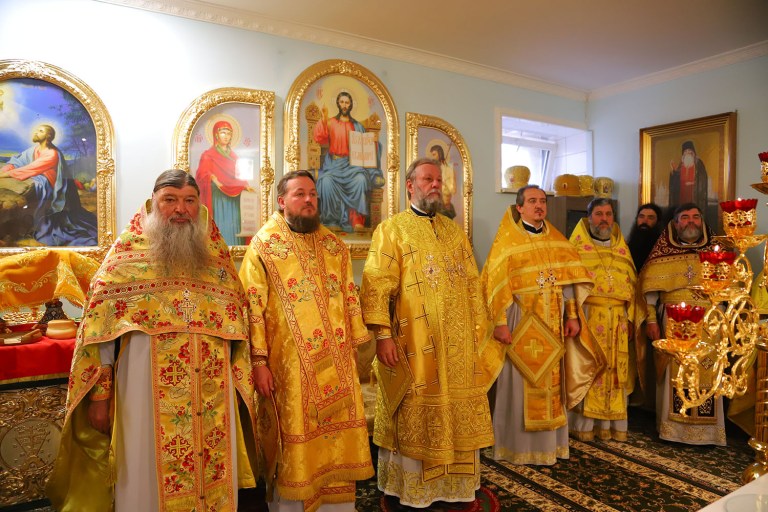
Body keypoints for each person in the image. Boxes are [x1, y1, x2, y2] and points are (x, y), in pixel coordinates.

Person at [46, 170, 258, 511]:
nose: (181, 209)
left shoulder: (216, 257)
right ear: (153, 203)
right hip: (143, 391)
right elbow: (99, 330)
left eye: (189, 201)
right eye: (170, 200)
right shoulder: (126, 255)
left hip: (212, 393)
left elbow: (238, 325)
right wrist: (100, 396)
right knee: (144, 474)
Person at [360, 157, 504, 508]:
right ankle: (412, 490)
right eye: (428, 179)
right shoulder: (392, 230)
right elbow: (376, 284)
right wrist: (383, 336)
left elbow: (473, 284)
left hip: (458, 348)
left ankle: (455, 489)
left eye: (439, 179)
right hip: (414, 345)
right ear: (410, 185)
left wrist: (480, 333)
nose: (436, 184)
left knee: (456, 412)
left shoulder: (455, 232)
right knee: (415, 408)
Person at [238, 170, 373, 511]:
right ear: (282, 201)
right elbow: (251, 307)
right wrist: (258, 362)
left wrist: (358, 343)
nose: (309, 200)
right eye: (300, 194)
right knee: (295, 444)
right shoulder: (264, 246)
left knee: (337, 443)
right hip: (289, 372)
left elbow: (349, 295)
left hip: (338, 367)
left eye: (312, 194)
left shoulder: (333, 245)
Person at [481, 185, 602, 465]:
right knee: (519, 383)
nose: (539, 206)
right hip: (520, 321)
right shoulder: (507, 242)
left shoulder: (557, 240)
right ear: (519, 207)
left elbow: (568, 281)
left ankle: (550, 446)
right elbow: (495, 286)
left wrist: (572, 315)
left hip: (552, 322)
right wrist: (499, 323)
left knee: (552, 384)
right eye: (532, 201)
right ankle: (515, 446)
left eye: (543, 201)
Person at [639, 202, 725, 445]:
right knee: (674, 372)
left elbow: (728, 289)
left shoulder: (717, 253)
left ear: (702, 221)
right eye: (685, 217)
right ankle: (673, 430)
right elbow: (649, 292)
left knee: (707, 371)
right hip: (672, 320)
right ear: (675, 224)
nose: (691, 222)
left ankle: (707, 433)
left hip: (708, 322)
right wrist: (651, 320)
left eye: (695, 217)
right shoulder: (662, 254)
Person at [568, 198, 643, 441]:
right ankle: (584, 426)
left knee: (616, 370)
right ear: (589, 217)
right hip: (590, 317)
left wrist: (630, 319)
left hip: (618, 321)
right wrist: (574, 316)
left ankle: (612, 426)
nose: (604, 219)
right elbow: (569, 286)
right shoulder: (576, 248)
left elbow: (633, 286)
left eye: (608, 214)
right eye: (599, 214)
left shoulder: (622, 249)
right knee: (591, 367)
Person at [0, 124, 96, 245]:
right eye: (36, 130)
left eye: (40, 131)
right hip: (38, 178)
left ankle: (26, 226)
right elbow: (17, 161)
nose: (36, 132)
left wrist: (3, 175)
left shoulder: (52, 154)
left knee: (36, 190)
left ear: (48, 136)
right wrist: (4, 169)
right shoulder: (33, 150)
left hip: (52, 186)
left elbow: (30, 169)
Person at [312, 91, 384, 233]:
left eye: (347, 102)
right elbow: (319, 138)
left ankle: (356, 220)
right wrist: (323, 118)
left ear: (351, 105)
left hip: (353, 166)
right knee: (326, 182)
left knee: (361, 180)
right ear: (338, 104)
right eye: (342, 102)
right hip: (333, 166)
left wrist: (374, 142)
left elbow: (366, 148)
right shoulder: (330, 122)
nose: (344, 105)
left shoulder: (358, 126)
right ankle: (331, 220)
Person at [195, 120, 253, 246]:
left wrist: (246, 186)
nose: (226, 136)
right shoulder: (208, 155)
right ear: (216, 135)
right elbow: (201, 174)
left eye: (229, 133)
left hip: (235, 200)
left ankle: (237, 249)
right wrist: (213, 178)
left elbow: (240, 176)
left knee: (235, 223)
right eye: (223, 132)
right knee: (221, 222)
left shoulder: (234, 157)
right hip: (218, 198)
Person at [669, 140, 708, 215]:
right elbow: (676, 181)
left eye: (689, 151)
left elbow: (702, 179)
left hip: (694, 193)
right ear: (683, 154)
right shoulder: (681, 164)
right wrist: (674, 172)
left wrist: (693, 183)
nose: (687, 153)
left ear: (693, 153)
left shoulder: (698, 164)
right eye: (685, 152)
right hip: (682, 194)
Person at [626, 203, 663, 272]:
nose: (644, 221)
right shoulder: (628, 246)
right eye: (641, 216)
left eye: (650, 218)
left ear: (658, 221)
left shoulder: (662, 247)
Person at [429, 144, 457, 219]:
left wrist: (444, 180)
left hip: (445, 208)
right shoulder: (431, 170)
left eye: (434, 155)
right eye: (431, 155)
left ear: (440, 154)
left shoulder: (449, 170)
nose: (432, 158)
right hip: (433, 207)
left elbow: (453, 191)